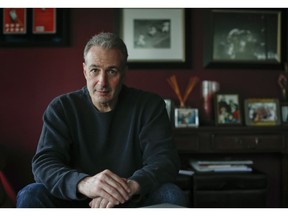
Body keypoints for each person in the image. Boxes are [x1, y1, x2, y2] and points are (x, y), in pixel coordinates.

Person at [16, 32, 187, 208]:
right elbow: (44, 164)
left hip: (131, 197)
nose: (102, 81)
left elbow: (165, 160)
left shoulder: (149, 106)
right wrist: (84, 183)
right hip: (77, 198)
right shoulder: (61, 108)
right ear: (85, 71)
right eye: (95, 70)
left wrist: (128, 187)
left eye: (112, 71)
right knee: (31, 193)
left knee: (171, 194)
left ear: (124, 72)